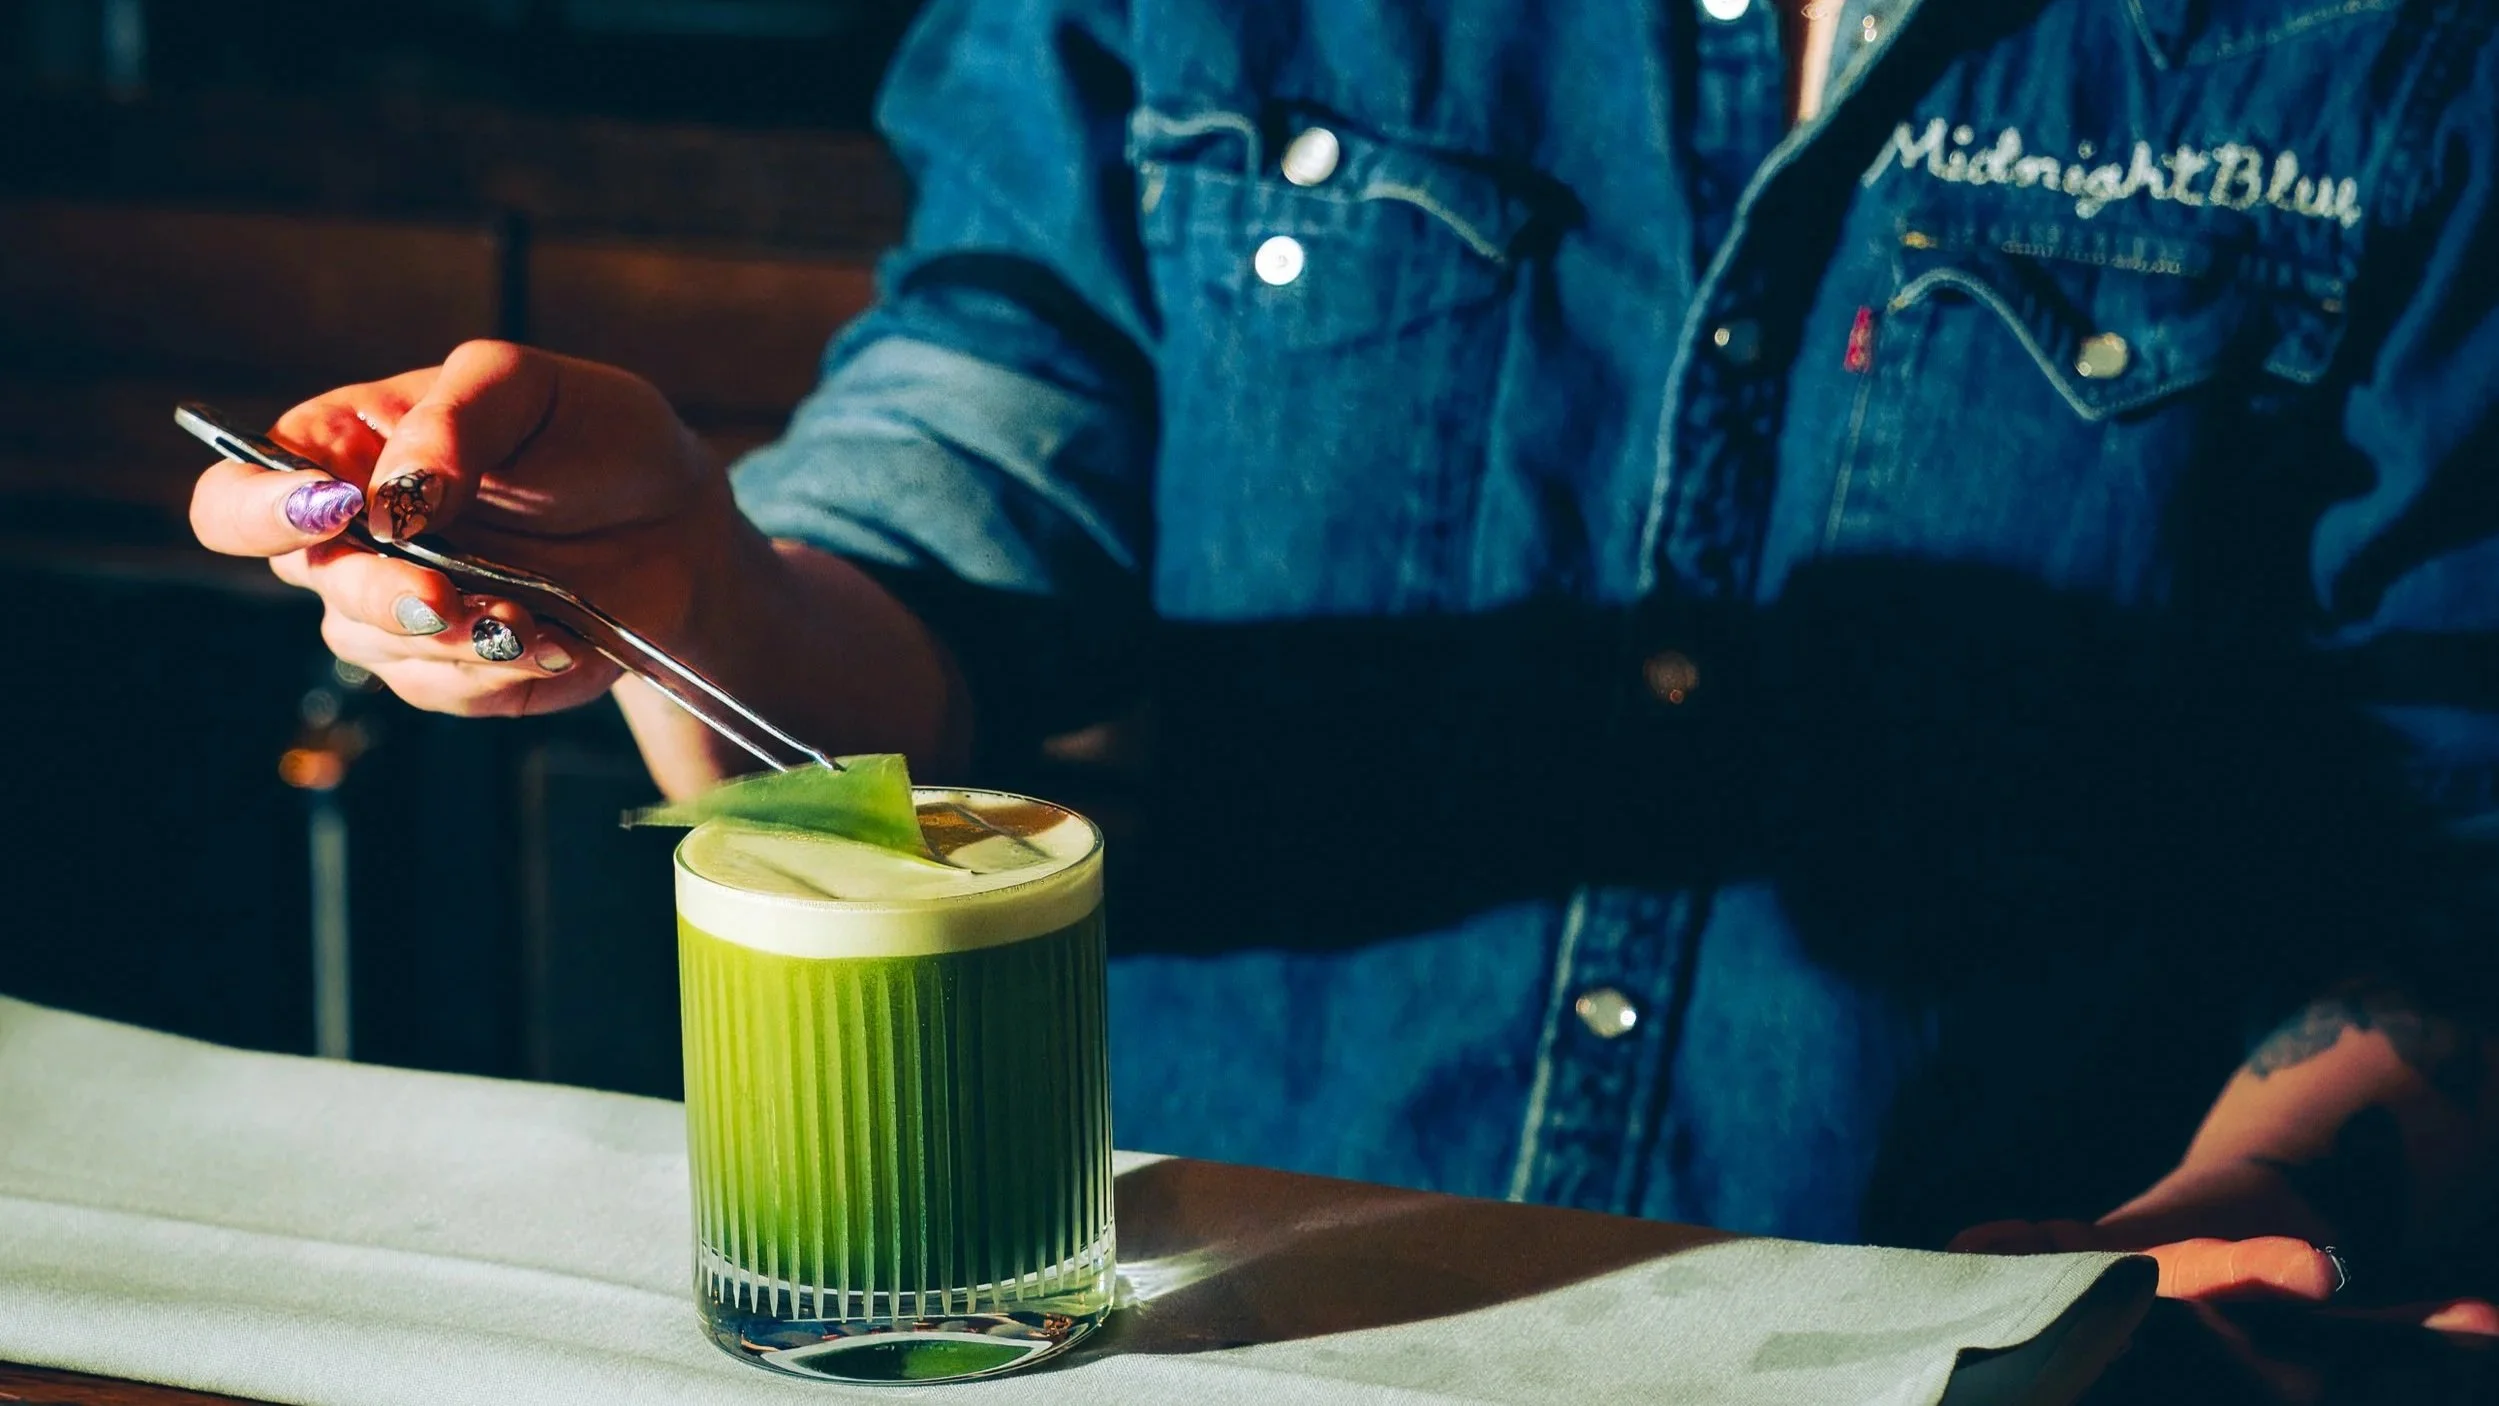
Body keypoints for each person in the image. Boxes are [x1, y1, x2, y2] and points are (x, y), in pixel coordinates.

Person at [188, 0, 2499, 1320]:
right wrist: (686, 577)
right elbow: (975, 507)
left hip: (1942, 1346)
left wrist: (2232, 1229)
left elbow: (2453, 823)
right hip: (1231, 1331)